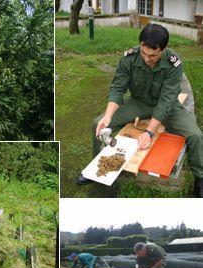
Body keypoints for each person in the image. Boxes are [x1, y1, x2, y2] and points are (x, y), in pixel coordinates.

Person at [84, 24, 203, 196]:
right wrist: (108, 116)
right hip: (138, 103)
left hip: (168, 107)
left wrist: (148, 132)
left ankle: (200, 178)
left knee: (195, 136)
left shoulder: (174, 63)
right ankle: (97, 170)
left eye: (153, 55)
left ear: (164, 49)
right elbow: (118, 88)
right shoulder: (129, 58)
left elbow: (166, 101)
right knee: (98, 123)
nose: (147, 58)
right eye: (143, 53)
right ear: (140, 45)